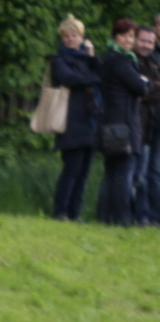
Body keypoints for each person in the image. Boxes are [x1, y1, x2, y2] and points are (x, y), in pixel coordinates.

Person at [96, 18, 149, 226]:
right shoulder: (120, 61)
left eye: (131, 36)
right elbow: (140, 87)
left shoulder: (110, 58)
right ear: (115, 37)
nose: (128, 40)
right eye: (124, 36)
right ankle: (122, 217)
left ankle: (104, 216)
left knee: (112, 172)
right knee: (123, 173)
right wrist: (143, 81)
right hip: (123, 125)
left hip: (112, 123)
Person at [49, 14, 101, 222]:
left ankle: (75, 212)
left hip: (91, 121)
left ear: (82, 37)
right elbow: (69, 78)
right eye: (66, 36)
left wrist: (92, 56)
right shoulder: (59, 60)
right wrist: (93, 79)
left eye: (74, 35)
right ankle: (61, 211)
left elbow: (102, 74)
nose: (71, 39)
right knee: (71, 169)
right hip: (70, 121)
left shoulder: (88, 60)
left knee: (84, 172)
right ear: (62, 38)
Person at [132, 26, 160, 224]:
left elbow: (149, 87)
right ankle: (140, 214)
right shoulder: (134, 61)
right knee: (140, 172)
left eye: (150, 42)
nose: (146, 45)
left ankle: (152, 215)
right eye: (143, 41)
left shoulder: (152, 61)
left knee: (154, 171)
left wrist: (151, 86)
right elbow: (143, 90)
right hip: (141, 122)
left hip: (152, 122)